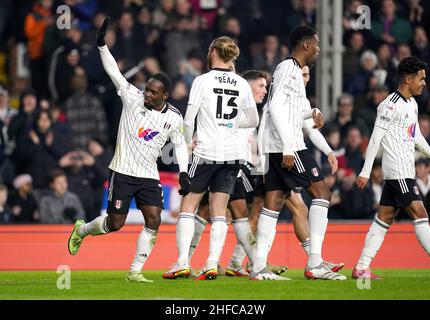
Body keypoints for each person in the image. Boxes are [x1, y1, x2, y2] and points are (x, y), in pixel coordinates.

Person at [67, 17, 191, 283]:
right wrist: (101, 46)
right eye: (147, 89)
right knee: (115, 224)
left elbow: (180, 144)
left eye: (153, 93)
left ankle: (135, 271)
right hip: (122, 171)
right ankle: (83, 230)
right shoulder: (132, 98)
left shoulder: (174, 117)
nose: (146, 94)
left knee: (154, 220)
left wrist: (183, 172)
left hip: (149, 175)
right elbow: (114, 72)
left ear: (164, 97)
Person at [162, 36, 259, 281]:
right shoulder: (241, 83)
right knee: (218, 212)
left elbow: (187, 119)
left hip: (205, 153)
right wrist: (230, 123)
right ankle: (211, 264)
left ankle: (182, 262)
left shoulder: (202, 81)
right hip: (232, 156)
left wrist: (186, 142)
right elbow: (254, 121)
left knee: (188, 206)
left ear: (214, 51)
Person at [254, 25, 346, 280]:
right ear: (305, 45)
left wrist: (327, 148)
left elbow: (301, 118)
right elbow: (274, 107)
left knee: (273, 203)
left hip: (280, 146)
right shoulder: (288, 69)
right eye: (316, 44)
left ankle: (258, 266)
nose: (318, 49)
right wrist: (286, 145)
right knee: (322, 193)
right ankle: (315, 263)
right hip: (288, 147)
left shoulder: (294, 74)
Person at [354, 56, 430, 279]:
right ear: (408, 79)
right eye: (421, 78)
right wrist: (366, 172)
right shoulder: (389, 105)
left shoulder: (412, 104)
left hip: (404, 171)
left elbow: (415, 136)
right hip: (398, 171)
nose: (424, 83)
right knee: (420, 212)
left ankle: (361, 267)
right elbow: (375, 139)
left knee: (384, 217)